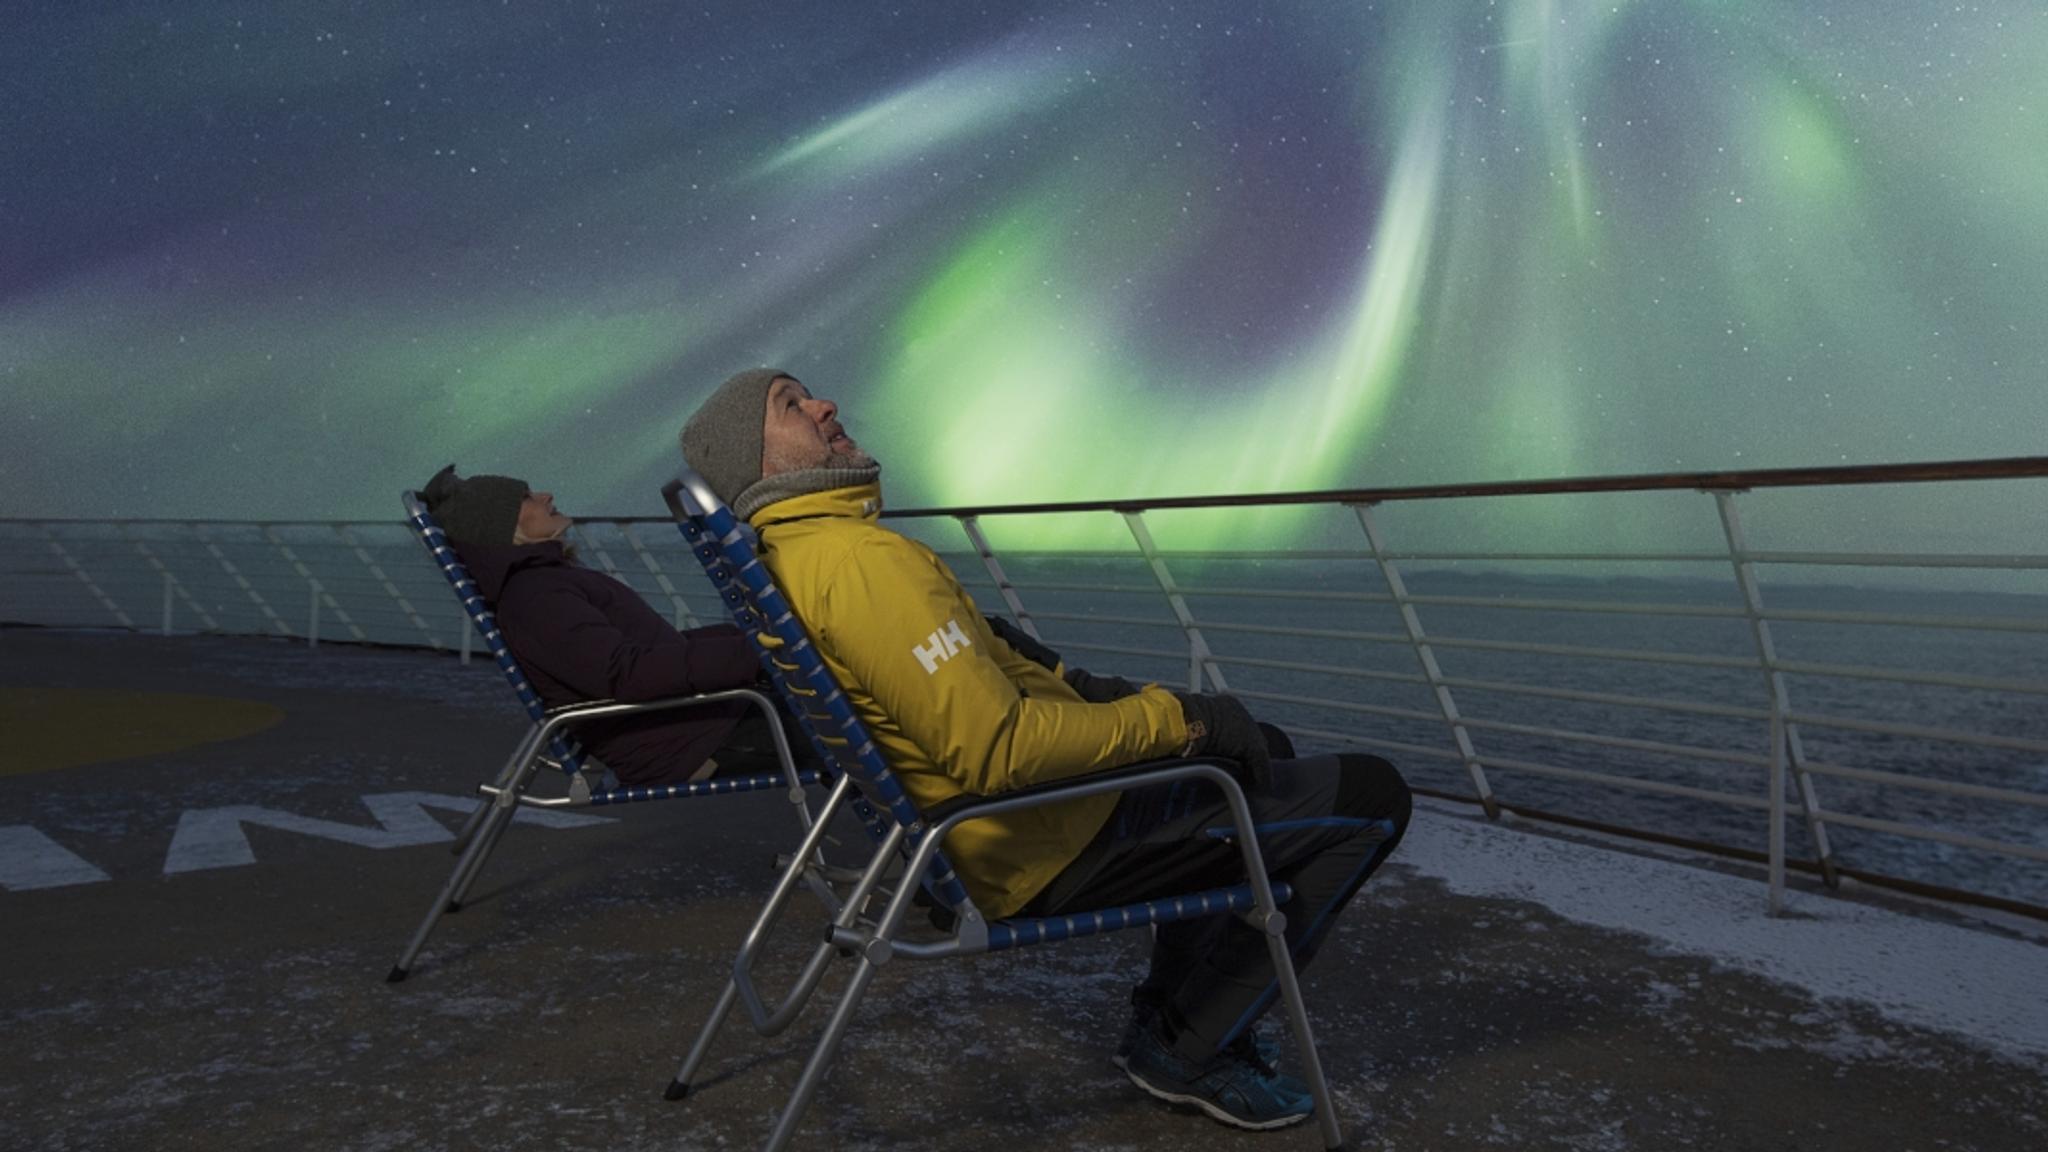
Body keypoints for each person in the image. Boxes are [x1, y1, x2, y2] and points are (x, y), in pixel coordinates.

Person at [679, 369, 1412, 1131]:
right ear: (757, 463)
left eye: (811, 393)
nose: (825, 404)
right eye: (790, 406)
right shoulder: (861, 562)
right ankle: (1189, 1046)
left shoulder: (801, 558)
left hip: (995, 831)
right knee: (1371, 798)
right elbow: (998, 751)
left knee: (1263, 751)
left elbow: (965, 694)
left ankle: (1172, 1011)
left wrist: (1082, 684)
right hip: (1041, 843)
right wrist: (1179, 720)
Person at [416, 464, 791, 788]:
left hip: (698, 726)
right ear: (501, 527)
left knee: (838, 706)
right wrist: (756, 653)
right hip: (693, 743)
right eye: (528, 496)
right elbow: (627, 673)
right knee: (846, 731)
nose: (546, 496)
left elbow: (646, 655)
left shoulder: (543, 584)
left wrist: (749, 644)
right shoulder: (536, 597)